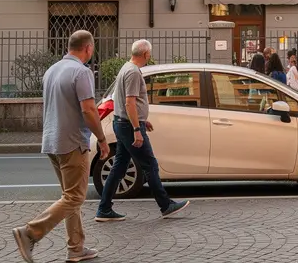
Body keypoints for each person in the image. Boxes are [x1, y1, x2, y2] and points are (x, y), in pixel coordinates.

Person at [12, 30, 110, 263]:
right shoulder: (82, 72)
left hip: (52, 141)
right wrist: (102, 139)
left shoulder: (51, 70)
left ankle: (75, 248)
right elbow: (88, 109)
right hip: (73, 142)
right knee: (75, 197)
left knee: (69, 197)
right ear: (88, 48)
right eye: (92, 48)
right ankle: (29, 233)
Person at [95, 39, 190, 223]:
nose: (150, 57)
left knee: (119, 167)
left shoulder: (126, 68)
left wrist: (141, 120)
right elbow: (129, 102)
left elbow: (127, 103)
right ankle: (166, 205)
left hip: (123, 123)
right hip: (129, 127)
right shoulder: (133, 73)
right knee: (150, 165)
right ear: (146, 54)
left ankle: (104, 209)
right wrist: (137, 128)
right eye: (150, 54)